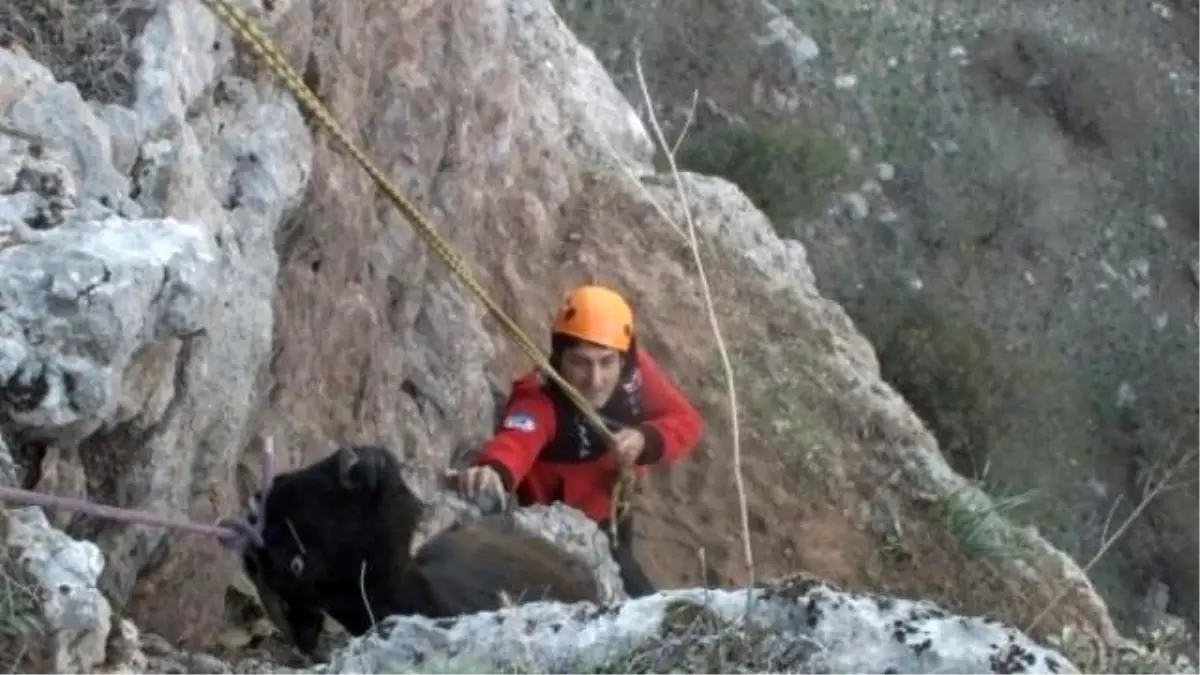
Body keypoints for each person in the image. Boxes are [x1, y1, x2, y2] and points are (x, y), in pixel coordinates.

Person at [445, 284, 705, 598]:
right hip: (559, 540)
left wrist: (645, 438)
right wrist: (494, 471)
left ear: (624, 360)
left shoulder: (635, 380)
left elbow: (685, 421)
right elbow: (517, 441)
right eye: (581, 362)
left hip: (614, 513)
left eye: (606, 362)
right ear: (559, 359)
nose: (595, 380)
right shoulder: (542, 398)